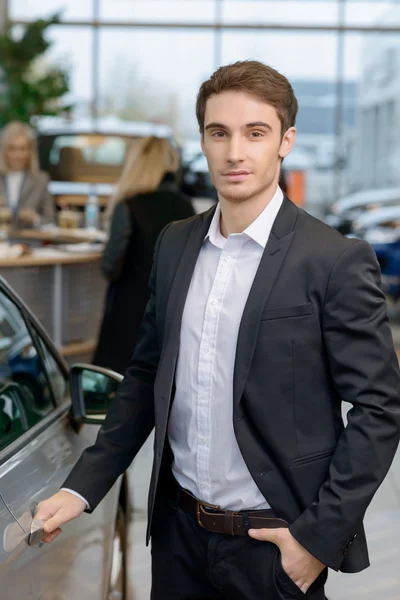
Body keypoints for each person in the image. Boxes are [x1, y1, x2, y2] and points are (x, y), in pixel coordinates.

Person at [36, 61, 400, 600]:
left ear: (286, 141)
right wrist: (83, 486)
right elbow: (145, 376)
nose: (235, 152)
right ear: (202, 141)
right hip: (179, 537)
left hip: (274, 546)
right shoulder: (175, 244)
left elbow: (380, 407)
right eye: (219, 132)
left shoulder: (332, 259)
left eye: (256, 133)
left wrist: (317, 541)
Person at [92, 136, 195, 374]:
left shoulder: (129, 207)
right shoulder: (186, 207)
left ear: (136, 164)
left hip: (127, 322)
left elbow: (110, 267)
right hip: (171, 318)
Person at [0, 121, 55, 227]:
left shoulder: (41, 179)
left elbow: (51, 221)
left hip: (30, 241)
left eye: (23, 149)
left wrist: (35, 219)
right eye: (12, 148)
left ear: (30, 151)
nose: (18, 155)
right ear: (4, 150)